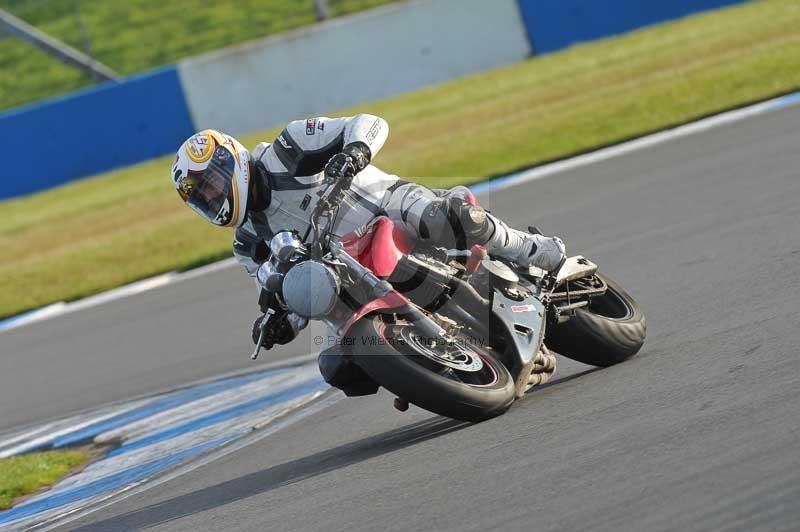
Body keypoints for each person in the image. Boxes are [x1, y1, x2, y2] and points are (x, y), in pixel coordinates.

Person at [171, 115, 565, 381]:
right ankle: (434, 371)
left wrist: (355, 149)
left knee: (451, 219)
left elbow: (369, 123)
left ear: (232, 161)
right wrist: (278, 324)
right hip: (351, 280)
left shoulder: (287, 148)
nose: (214, 197)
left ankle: (529, 248)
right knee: (338, 368)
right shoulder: (248, 243)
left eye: (213, 184)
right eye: (203, 198)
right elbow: (288, 293)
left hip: (387, 209)